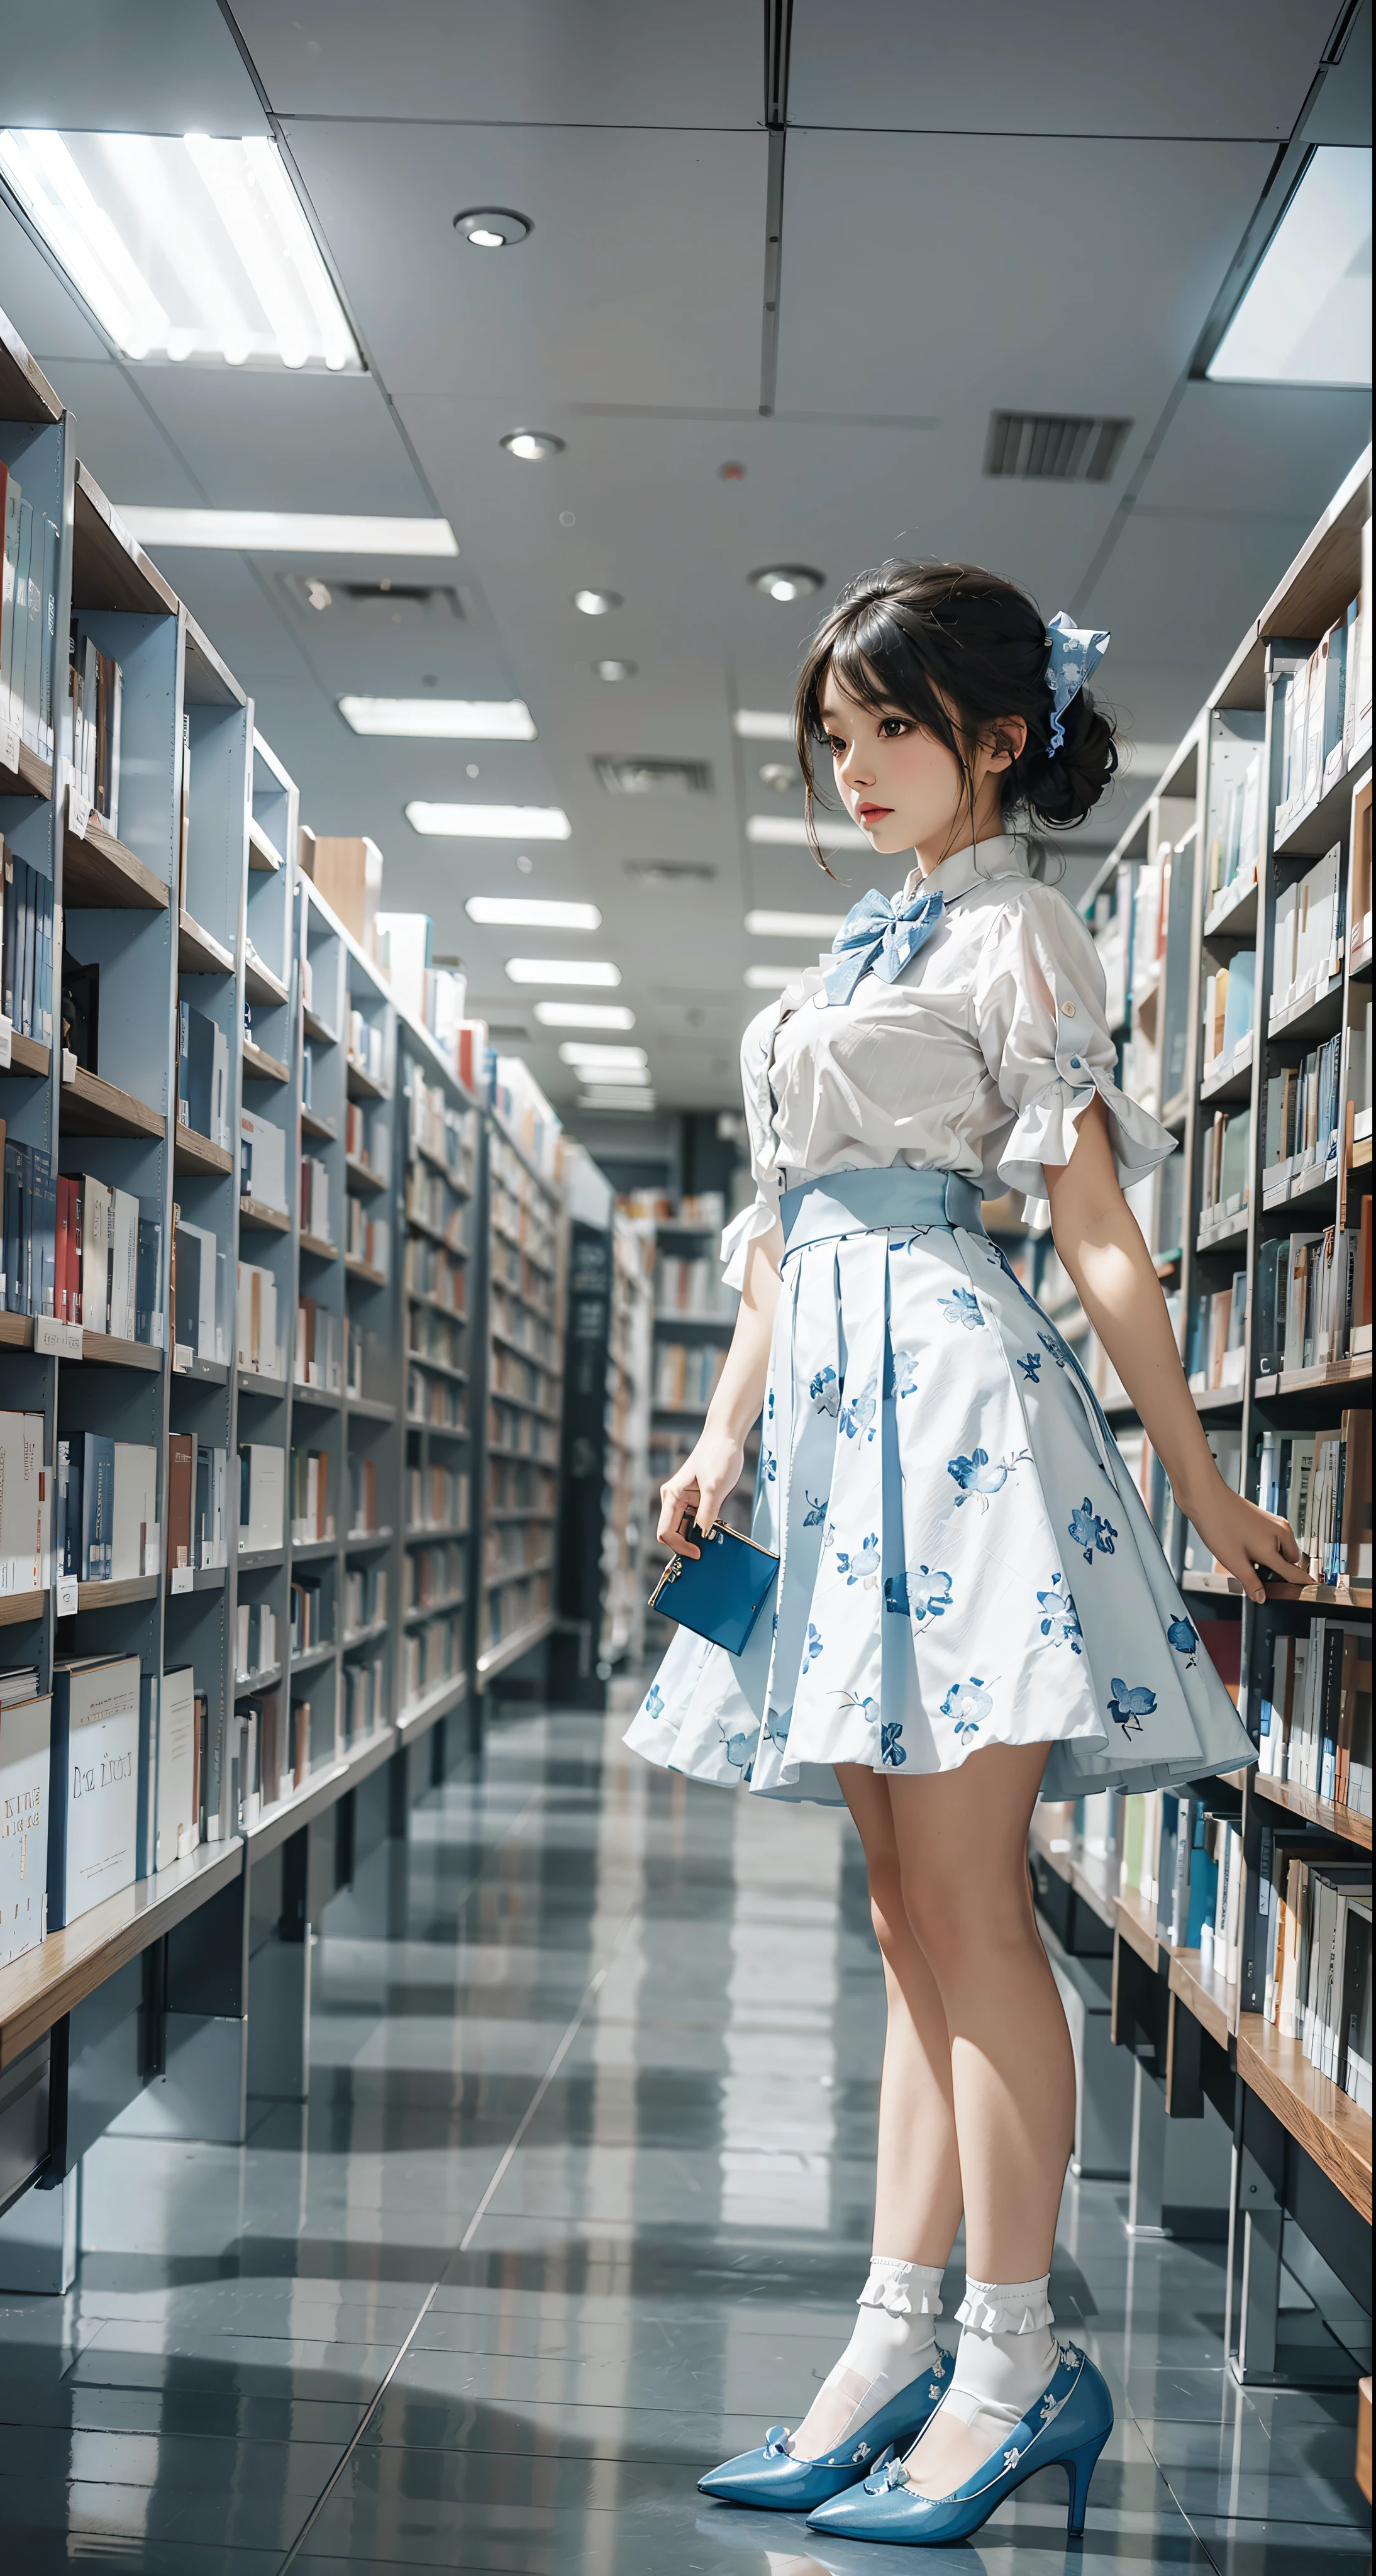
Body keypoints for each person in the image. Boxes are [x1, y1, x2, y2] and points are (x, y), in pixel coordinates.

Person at [626, 562, 1299, 2546]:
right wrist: (721, 1431)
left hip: (961, 1427)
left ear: (999, 738)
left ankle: (1019, 2355)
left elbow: (1092, 1236)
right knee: (906, 1925)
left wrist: (1194, 1486)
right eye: (836, 741)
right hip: (835, 1436)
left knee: (978, 1912)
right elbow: (780, 1236)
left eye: (891, 732)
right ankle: (896, 2331)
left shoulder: (1022, 937)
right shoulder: (860, 943)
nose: (853, 771)